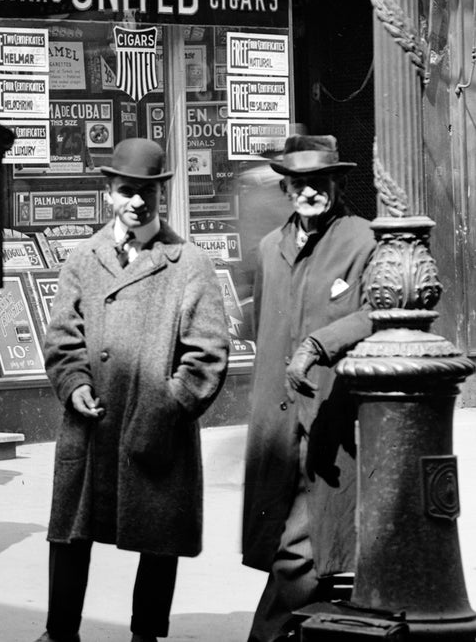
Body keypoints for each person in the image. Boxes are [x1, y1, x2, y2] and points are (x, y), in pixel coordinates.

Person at [35, 137, 230, 642]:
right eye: (127, 190)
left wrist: (167, 406)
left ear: (161, 194)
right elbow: (62, 337)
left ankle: (145, 635)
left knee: (157, 537)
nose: (138, 201)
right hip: (91, 420)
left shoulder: (188, 262)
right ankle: (60, 632)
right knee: (71, 532)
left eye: (147, 191)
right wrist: (73, 382)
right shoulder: (83, 258)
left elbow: (207, 354)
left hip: (154, 419)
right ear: (109, 193)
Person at [242, 134, 376, 642]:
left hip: (334, 414)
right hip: (279, 421)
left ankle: (266, 636)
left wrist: (321, 343)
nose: (309, 192)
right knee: (293, 538)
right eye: (299, 183)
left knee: (304, 544)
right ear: (286, 187)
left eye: (319, 182)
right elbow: (265, 330)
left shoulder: (364, 239)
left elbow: (378, 312)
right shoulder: (269, 248)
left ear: (336, 183)